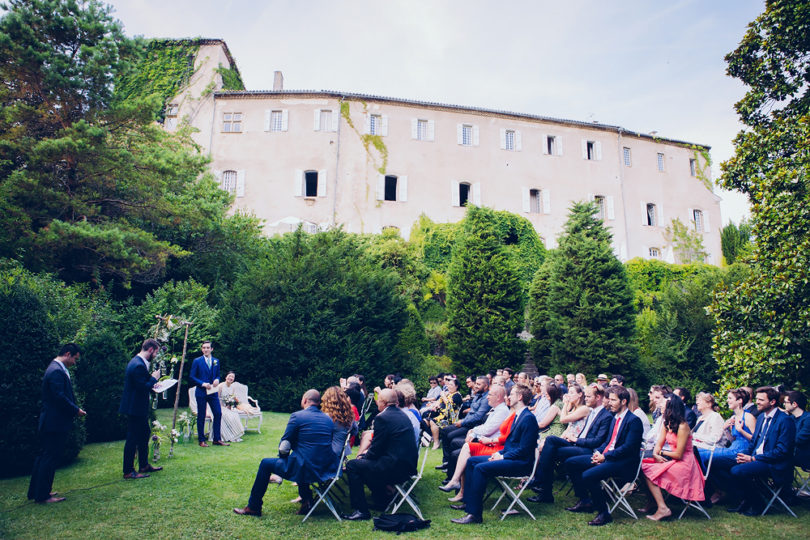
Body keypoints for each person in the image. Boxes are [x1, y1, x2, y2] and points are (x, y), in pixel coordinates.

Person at [234, 389, 336, 517]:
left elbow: (284, 447)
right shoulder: (328, 419)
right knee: (302, 458)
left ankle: (253, 507)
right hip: (326, 468)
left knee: (266, 463)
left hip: (307, 467)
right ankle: (307, 501)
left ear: (304, 400)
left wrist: (283, 458)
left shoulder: (297, 416)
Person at [451, 384, 539, 525]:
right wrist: (499, 453)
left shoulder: (528, 418)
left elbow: (525, 449)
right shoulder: (518, 415)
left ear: (520, 397)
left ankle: (475, 515)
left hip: (521, 464)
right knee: (472, 461)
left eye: (512, 394)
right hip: (512, 458)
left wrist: (502, 456)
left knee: (481, 468)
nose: (508, 396)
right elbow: (511, 445)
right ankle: (469, 503)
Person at [564, 386, 644, 526]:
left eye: (613, 400)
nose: (609, 403)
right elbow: (608, 442)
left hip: (624, 463)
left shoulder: (634, 421)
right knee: (571, 463)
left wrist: (605, 456)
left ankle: (603, 513)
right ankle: (585, 501)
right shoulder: (614, 418)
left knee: (589, 475)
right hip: (608, 456)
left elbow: (628, 448)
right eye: (609, 399)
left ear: (624, 401)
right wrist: (599, 452)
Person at [712, 386, 796, 515]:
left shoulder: (785, 420)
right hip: (757, 457)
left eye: (761, 400)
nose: (757, 402)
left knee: (737, 470)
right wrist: (744, 454)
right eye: (757, 399)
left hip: (774, 462)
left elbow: (782, 451)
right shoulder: (762, 417)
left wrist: (753, 458)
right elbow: (754, 443)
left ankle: (757, 504)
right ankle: (745, 498)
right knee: (717, 464)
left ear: (772, 402)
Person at [527, 384, 613, 503]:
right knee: (550, 440)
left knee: (550, 451)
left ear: (598, 397)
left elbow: (597, 441)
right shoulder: (591, 411)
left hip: (586, 448)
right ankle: (542, 485)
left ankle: (543, 487)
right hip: (576, 443)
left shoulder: (605, 416)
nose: (586, 398)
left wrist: (576, 440)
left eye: (588, 396)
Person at [342, 389, 418, 521]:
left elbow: (376, 449)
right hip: (407, 466)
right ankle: (381, 498)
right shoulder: (402, 414)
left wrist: (363, 456)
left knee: (353, 465)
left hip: (395, 469)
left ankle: (361, 510)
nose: (377, 402)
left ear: (383, 402)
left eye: (378, 399)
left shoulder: (382, 417)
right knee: (363, 464)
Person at [27, 344, 87, 504]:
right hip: (54, 423)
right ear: (68, 354)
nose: (75, 362)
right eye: (75, 358)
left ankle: (36, 491)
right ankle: (43, 495)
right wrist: (76, 410)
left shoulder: (55, 368)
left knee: (44, 456)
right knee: (49, 457)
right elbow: (59, 397)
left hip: (51, 422)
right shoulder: (56, 371)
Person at [439, 385, 516, 501]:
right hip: (486, 442)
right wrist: (473, 432)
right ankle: (459, 488)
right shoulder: (497, 409)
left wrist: (473, 431)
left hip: (493, 446)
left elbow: (488, 430)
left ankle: (461, 490)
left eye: (490, 395)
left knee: (460, 454)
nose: (487, 397)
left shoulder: (502, 411)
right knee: (459, 449)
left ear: (498, 397)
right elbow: (485, 427)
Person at [640, 396, 705, 520]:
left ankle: (663, 508)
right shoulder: (667, 423)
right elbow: (658, 444)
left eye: (664, 405)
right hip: (673, 459)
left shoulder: (682, 426)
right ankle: (653, 502)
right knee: (643, 467)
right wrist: (655, 454)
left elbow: (679, 454)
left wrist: (662, 453)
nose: (661, 406)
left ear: (671, 408)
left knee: (650, 472)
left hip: (685, 464)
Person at [119, 339, 162, 479]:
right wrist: (154, 379)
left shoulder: (139, 363)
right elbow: (141, 387)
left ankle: (143, 464)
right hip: (134, 408)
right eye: (155, 352)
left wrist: (153, 384)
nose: (155, 355)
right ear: (150, 350)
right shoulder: (138, 365)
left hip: (138, 407)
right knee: (132, 438)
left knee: (144, 434)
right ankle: (128, 471)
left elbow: (142, 383)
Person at [438, 377, 491, 468]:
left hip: (472, 426)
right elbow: (471, 413)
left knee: (450, 436)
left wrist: (462, 422)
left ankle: (452, 464)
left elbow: (478, 417)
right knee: (445, 430)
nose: (476, 386)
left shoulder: (486, 399)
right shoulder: (478, 396)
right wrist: (463, 421)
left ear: (486, 386)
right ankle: (446, 461)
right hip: (466, 422)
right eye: (476, 383)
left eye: (479, 384)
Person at [189, 341, 229, 447]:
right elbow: (192, 377)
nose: (205, 349)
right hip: (201, 392)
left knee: (218, 413)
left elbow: (218, 375)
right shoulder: (197, 361)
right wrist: (202, 384)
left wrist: (217, 379)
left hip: (213, 392)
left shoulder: (216, 361)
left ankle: (217, 439)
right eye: (203, 348)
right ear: (202, 349)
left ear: (212, 349)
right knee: (201, 415)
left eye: (207, 347)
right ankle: (201, 440)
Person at [321, 386, 358, 459]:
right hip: (342, 452)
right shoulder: (349, 416)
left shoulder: (326, 418)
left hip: (327, 453)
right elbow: (355, 432)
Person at [427, 377, 462, 449]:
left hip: (451, 418)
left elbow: (450, 406)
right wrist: (435, 405)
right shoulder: (448, 394)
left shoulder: (457, 395)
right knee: (427, 419)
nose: (449, 386)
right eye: (448, 385)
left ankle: (436, 442)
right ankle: (434, 439)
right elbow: (439, 401)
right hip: (443, 414)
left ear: (456, 386)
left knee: (433, 421)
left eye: (451, 385)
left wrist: (443, 396)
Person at [216, 372, 245, 442]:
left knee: (235, 414)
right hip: (219, 406)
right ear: (226, 377)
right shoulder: (220, 386)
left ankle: (234, 434)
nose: (231, 378)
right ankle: (227, 435)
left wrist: (231, 404)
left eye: (233, 377)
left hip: (227, 407)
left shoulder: (232, 387)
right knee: (228, 415)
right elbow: (217, 398)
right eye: (229, 376)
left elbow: (232, 397)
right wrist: (222, 407)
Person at [784, 390, 810, 468]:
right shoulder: (790, 418)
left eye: (786, 402)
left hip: (804, 457)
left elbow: (799, 439)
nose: (784, 404)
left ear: (794, 404)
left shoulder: (808, 419)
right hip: (791, 454)